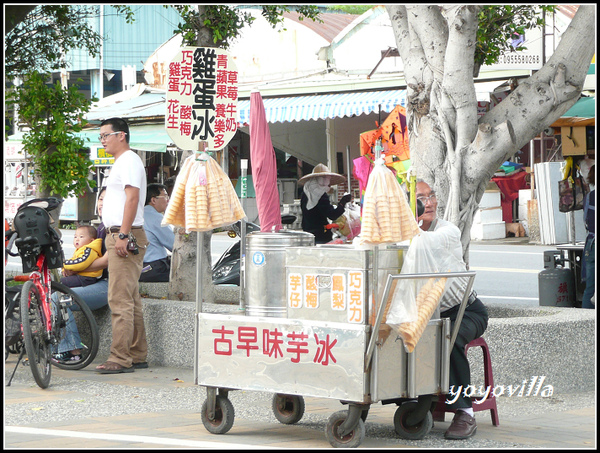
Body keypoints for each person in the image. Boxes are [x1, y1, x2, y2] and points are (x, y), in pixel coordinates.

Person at [414, 180, 489, 440]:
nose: (430, 202)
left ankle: (466, 412)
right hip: (429, 315)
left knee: (451, 338)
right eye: (422, 197)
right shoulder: (408, 233)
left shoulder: (447, 231)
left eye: (431, 195)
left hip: (466, 312)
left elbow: (423, 242)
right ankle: (413, 401)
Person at [95, 117, 149, 374]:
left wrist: (124, 235)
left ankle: (119, 357)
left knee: (119, 299)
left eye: (106, 135)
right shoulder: (123, 162)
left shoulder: (128, 160)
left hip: (124, 234)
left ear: (122, 136)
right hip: (122, 233)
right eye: (101, 136)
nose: (103, 140)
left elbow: (133, 197)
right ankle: (136, 354)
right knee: (130, 298)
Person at [298, 163, 352, 244]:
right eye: (326, 178)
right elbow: (332, 215)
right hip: (321, 234)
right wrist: (342, 203)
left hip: (307, 232)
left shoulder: (305, 192)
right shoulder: (320, 195)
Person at [139, 183, 175, 282]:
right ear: (153, 200)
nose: (168, 200)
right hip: (153, 267)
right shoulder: (154, 217)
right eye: (165, 196)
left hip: (140, 266)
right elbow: (174, 244)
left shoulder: (141, 213)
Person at [582, 165, 595, 309]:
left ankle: (584, 320)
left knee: (590, 288)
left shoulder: (589, 197)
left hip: (591, 243)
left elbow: (585, 220)